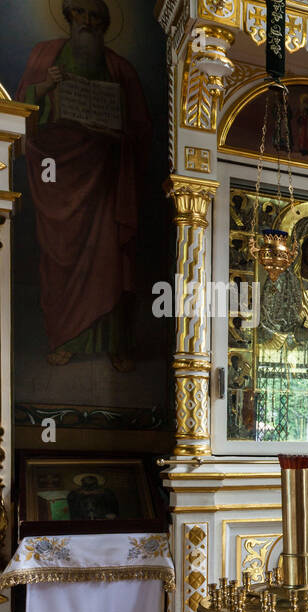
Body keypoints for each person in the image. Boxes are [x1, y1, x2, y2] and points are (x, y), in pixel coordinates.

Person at [19, 0, 151, 372]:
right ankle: (65, 339)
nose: (88, 23)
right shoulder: (44, 55)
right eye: (81, 14)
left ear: (107, 24)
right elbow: (18, 115)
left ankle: (114, 344)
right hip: (57, 178)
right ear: (68, 16)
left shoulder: (120, 70)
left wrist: (117, 132)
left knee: (109, 261)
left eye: (96, 18)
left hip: (106, 183)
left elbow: (143, 132)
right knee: (61, 258)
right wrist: (45, 88)